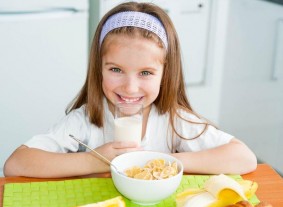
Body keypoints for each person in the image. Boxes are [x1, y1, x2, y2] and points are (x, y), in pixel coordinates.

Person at [4, 1, 257, 178]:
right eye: (116, 70)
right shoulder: (87, 119)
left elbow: (244, 157)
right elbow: (16, 165)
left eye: (145, 73)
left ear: (164, 74)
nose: (130, 87)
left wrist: (164, 162)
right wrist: (94, 160)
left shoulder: (172, 120)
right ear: (98, 68)